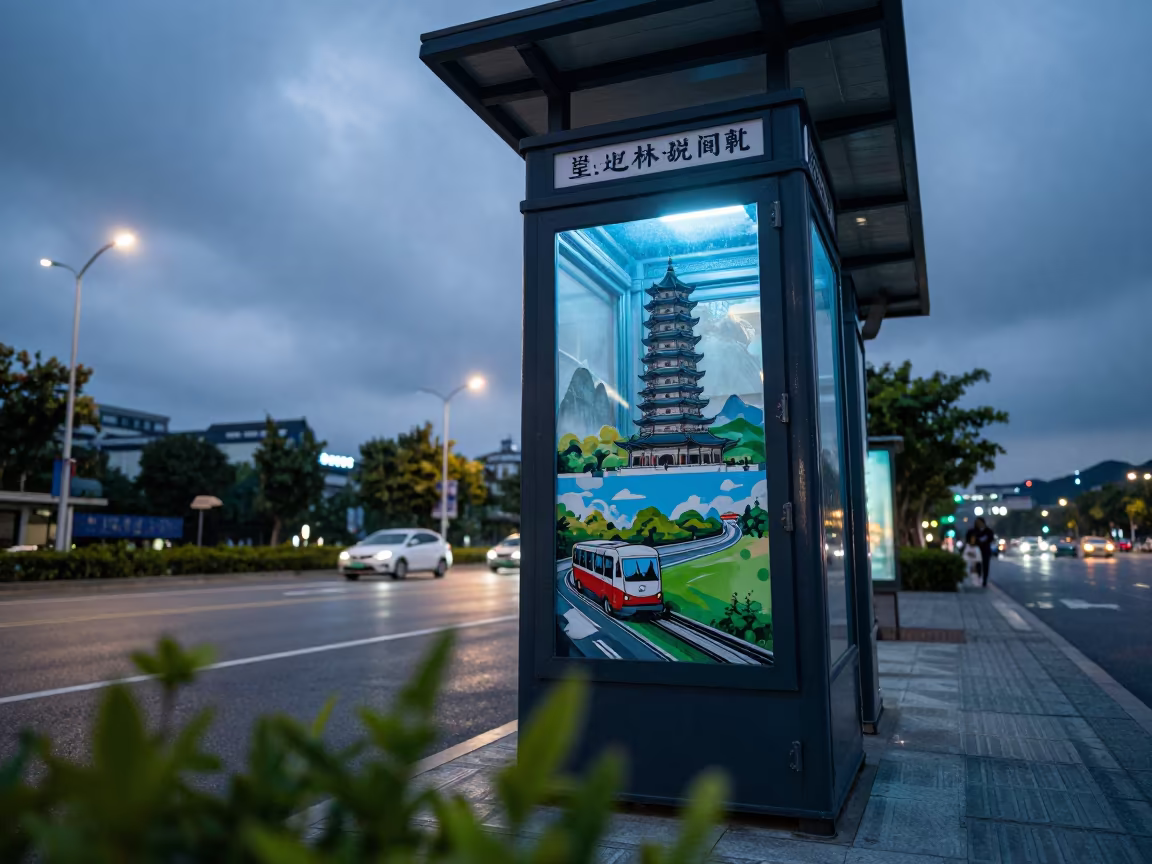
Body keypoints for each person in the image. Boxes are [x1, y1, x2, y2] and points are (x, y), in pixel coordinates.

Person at [971, 517, 996, 587]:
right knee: (978, 565)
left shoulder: (988, 531)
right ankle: (979, 578)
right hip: (977, 551)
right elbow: (972, 540)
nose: (979, 524)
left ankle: (984, 580)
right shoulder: (974, 531)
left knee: (985, 566)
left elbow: (991, 538)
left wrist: (985, 540)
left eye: (980, 522)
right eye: (977, 522)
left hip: (985, 550)